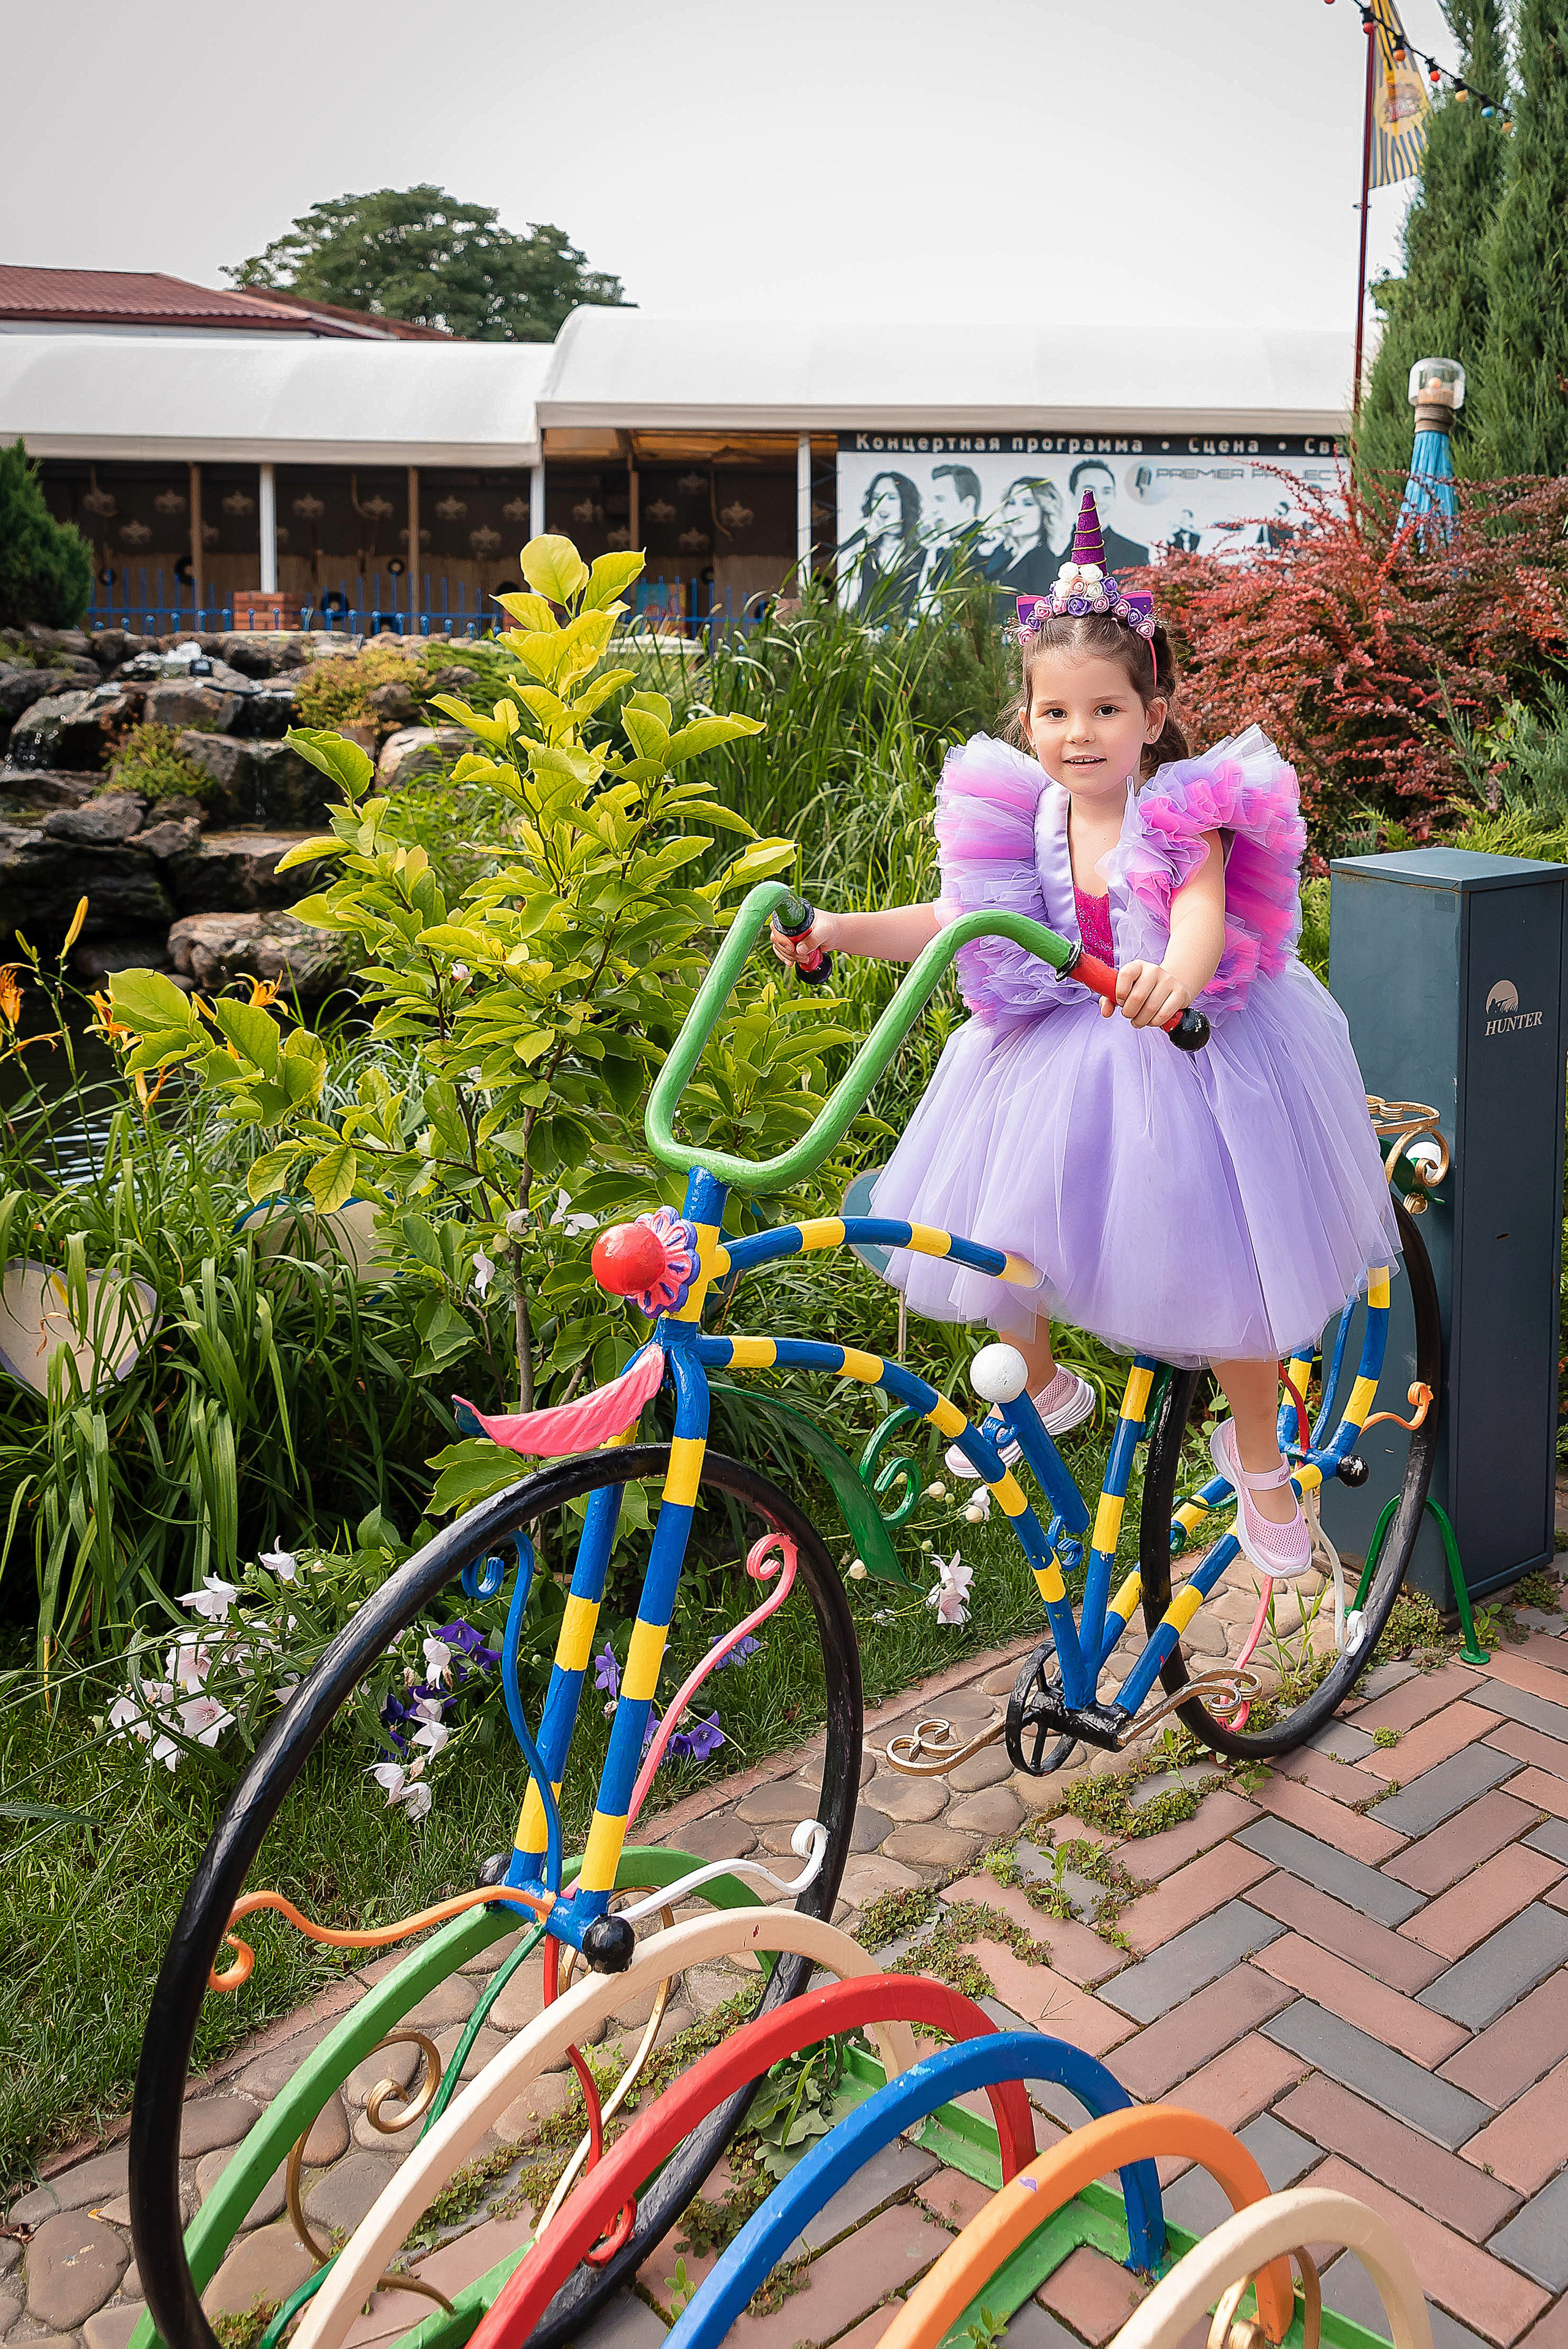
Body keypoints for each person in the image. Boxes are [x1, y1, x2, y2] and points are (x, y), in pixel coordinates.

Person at [773, 493, 1400, 1583]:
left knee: (1236, 1269)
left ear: (1151, 715)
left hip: (1194, 1048)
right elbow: (951, 919)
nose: (1080, 734)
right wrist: (835, 929)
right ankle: (1043, 1381)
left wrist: (1174, 979)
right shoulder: (1021, 820)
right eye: (1056, 712)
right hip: (1062, 1042)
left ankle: (1261, 1459)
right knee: (988, 1212)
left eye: (1106, 710)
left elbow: (1202, 918)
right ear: (1028, 720)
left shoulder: (1180, 814)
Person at [848, 471, 924, 618]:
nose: (882, 505)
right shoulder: (865, 551)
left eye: (892, 498)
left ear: (905, 503)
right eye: (876, 497)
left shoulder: (922, 554)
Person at [915, 461, 984, 605]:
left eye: (940, 500)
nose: (933, 509)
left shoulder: (985, 549)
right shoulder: (940, 547)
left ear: (968, 504)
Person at [984, 477, 1065, 594]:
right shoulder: (1007, 554)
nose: (1016, 511)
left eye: (1028, 504)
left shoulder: (1042, 558)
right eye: (1011, 503)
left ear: (1044, 510)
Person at [1069, 457, 1148, 570]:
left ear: (1114, 497)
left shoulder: (1136, 555)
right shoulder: (1055, 553)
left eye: (1106, 492)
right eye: (1088, 491)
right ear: (1072, 497)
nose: (1099, 500)